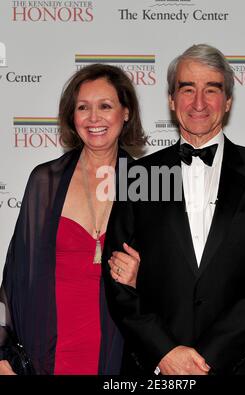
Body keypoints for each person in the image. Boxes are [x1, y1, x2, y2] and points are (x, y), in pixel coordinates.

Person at [102, 44, 245, 375]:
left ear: (228, 102)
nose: (198, 102)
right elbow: (118, 282)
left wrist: (206, 358)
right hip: (156, 368)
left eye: (212, 90)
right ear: (171, 100)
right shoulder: (142, 176)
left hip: (238, 364)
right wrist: (165, 351)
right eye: (187, 89)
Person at [0, 64, 144, 375]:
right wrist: (2, 354)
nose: (94, 118)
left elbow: (177, 282)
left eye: (105, 106)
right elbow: (14, 277)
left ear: (126, 112)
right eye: (83, 107)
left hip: (121, 357)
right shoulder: (46, 181)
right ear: (72, 116)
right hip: (50, 358)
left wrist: (141, 279)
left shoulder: (149, 183)